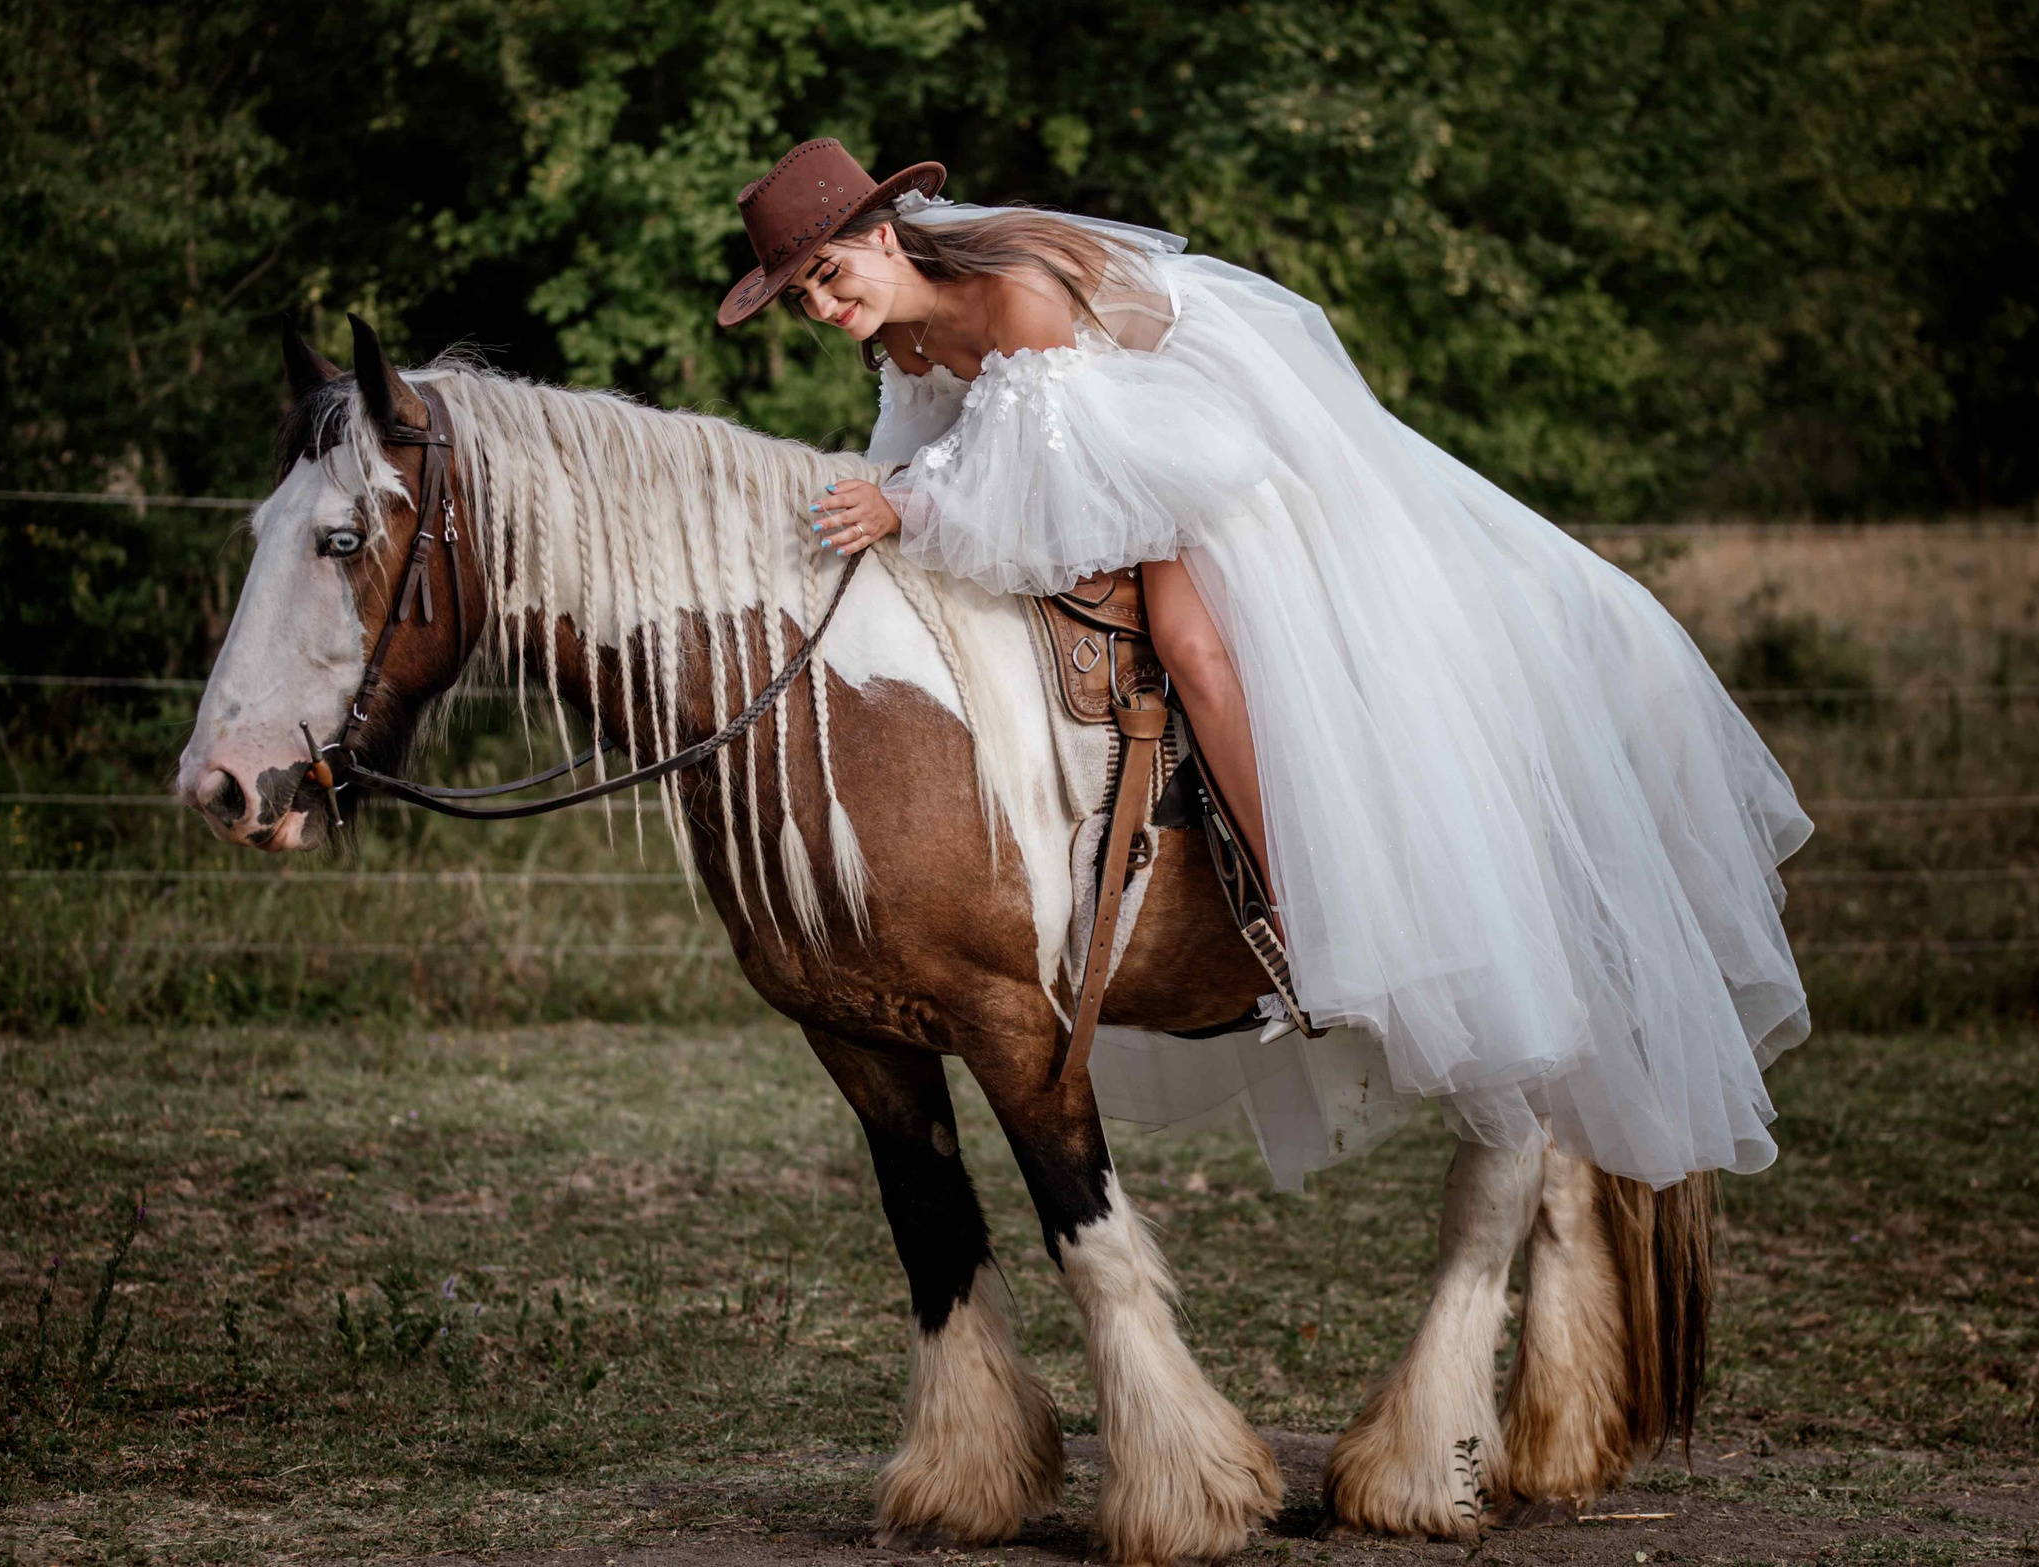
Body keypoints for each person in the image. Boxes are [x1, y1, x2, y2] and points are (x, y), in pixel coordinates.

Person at [718, 139, 1812, 1191]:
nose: (820, 305)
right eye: (798, 296)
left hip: (1174, 431)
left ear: (885, 232)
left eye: (825, 274)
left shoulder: (1016, 290)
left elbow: (1054, 462)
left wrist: (904, 506)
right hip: (1079, 454)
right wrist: (890, 503)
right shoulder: (895, 338)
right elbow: (936, 449)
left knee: (1195, 648)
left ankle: (1295, 911)